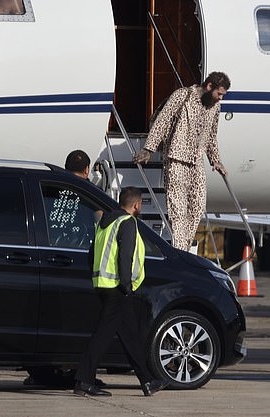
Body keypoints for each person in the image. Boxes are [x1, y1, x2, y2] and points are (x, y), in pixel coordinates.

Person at [74, 187, 168, 397]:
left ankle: (147, 381)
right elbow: (125, 255)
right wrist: (126, 284)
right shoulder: (127, 223)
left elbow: (92, 255)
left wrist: (98, 277)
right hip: (118, 287)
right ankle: (83, 380)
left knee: (130, 336)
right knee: (102, 335)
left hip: (103, 284)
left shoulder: (105, 223)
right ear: (136, 205)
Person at [134, 71, 231, 252]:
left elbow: (212, 135)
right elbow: (163, 120)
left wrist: (215, 160)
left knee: (197, 206)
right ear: (209, 86)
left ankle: (183, 247)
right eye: (219, 94)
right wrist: (149, 148)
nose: (220, 99)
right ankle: (180, 249)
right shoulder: (183, 95)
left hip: (196, 160)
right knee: (178, 209)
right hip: (176, 157)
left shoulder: (214, 107)